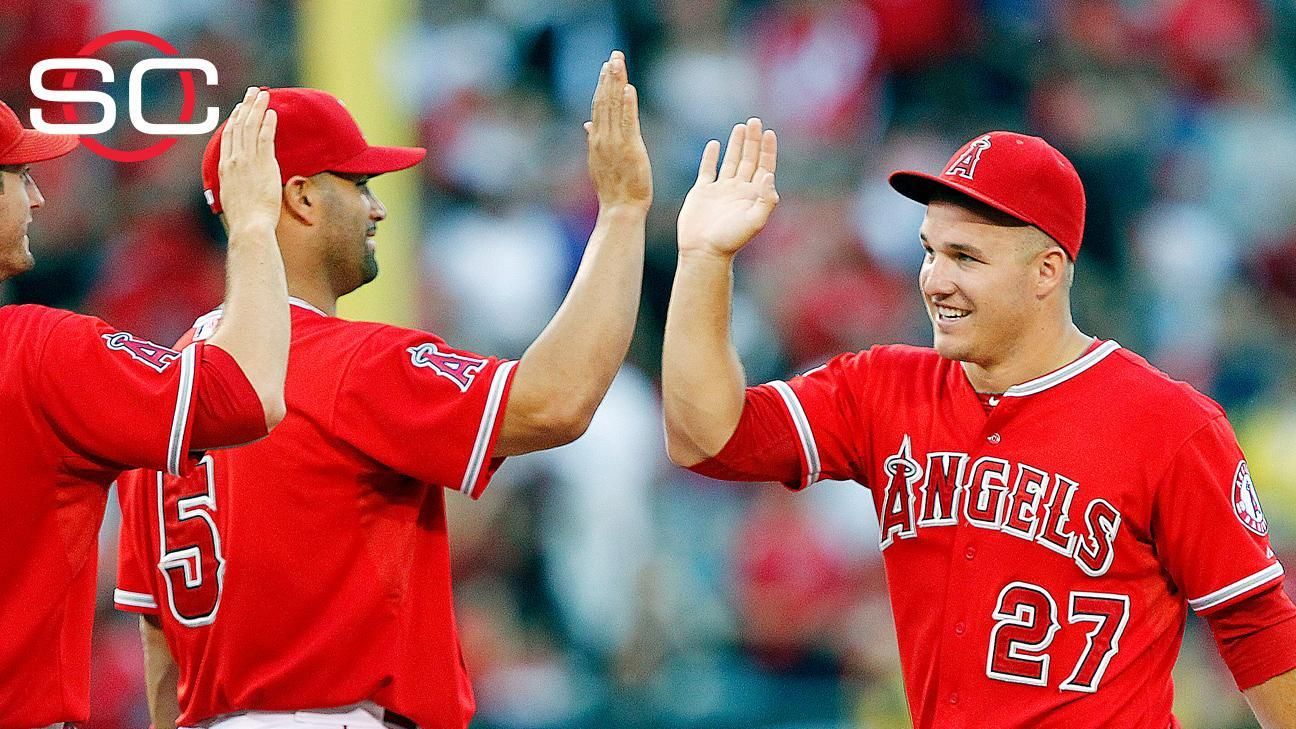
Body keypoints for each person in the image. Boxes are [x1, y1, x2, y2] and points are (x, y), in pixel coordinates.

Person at [661, 122, 1296, 728]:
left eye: (966, 257)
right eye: (929, 251)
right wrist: (704, 260)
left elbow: (1258, 627)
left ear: (1046, 271)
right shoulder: (881, 387)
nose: (936, 280)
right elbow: (707, 438)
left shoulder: (1168, 424)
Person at [115, 51, 651, 729]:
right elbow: (556, 402)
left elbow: (163, 657)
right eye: (359, 181)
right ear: (301, 196)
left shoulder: (158, 395)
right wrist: (624, 211)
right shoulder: (347, 363)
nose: (376, 208)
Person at [0, 87, 291, 728]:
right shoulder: (39, 350)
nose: (38, 196)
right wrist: (250, 227)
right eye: (18, 175)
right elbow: (247, 395)